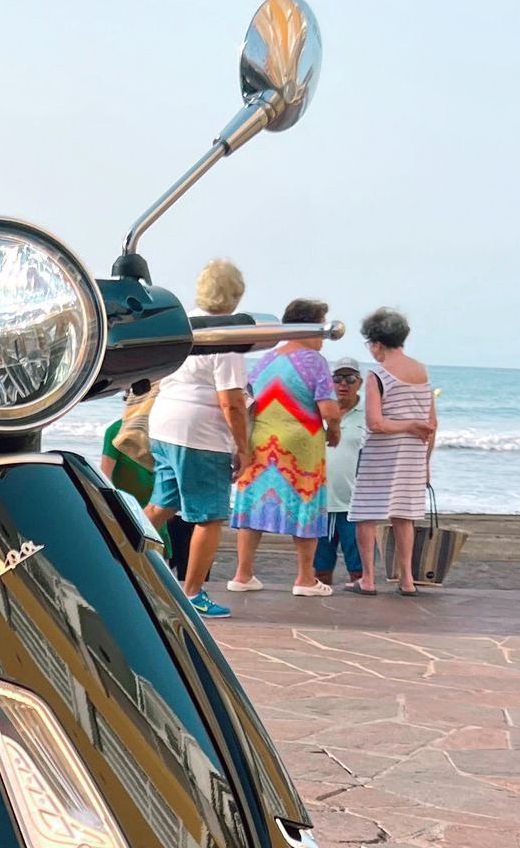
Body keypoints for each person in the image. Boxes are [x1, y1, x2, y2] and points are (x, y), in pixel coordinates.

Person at [144, 258, 250, 618]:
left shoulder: (184, 324)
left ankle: (119, 557)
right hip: (200, 434)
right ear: (235, 295)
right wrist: (243, 448)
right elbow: (232, 402)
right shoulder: (228, 337)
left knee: (163, 503)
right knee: (209, 516)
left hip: (163, 423)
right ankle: (193, 593)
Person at [227, 299, 342, 597]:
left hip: (261, 444)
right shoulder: (314, 361)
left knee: (253, 508)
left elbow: (248, 400)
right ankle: (305, 579)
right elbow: (328, 410)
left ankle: (243, 574)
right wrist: (336, 431)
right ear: (308, 326)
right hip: (300, 445)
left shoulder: (266, 360)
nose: (322, 337)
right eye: (320, 327)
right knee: (306, 508)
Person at [348, 308, 437, 596]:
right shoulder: (422, 371)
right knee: (404, 516)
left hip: (381, 455)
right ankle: (407, 579)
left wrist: (407, 423)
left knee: (365, 514)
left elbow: (375, 424)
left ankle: (369, 579)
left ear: (376, 343)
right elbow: (432, 424)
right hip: (412, 455)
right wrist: (426, 461)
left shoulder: (378, 374)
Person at [313, 357, 367, 586]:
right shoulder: (318, 410)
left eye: (350, 378)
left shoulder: (368, 415)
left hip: (354, 505)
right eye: (337, 378)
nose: (343, 384)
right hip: (320, 502)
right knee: (320, 569)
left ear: (359, 383)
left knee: (360, 569)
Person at [98, 381, 158, 504]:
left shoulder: (162, 432)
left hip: (156, 510)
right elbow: (105, 477)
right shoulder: (116, 430)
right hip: (127, 509)